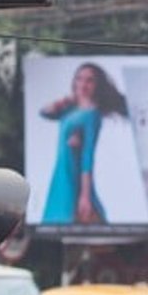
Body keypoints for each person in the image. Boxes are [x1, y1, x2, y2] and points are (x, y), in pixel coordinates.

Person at [41, 63, 128, 225]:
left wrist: (85, 196)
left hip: (74, 172)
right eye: (79, 79)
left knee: (72, 218)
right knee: (56, 219)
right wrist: (64, 101)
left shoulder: (92, 115)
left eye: (90, 81)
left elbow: (88, 157)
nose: (83, 84)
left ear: (97, 85)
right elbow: (44, 113)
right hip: (61, 170)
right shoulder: (70, 109)